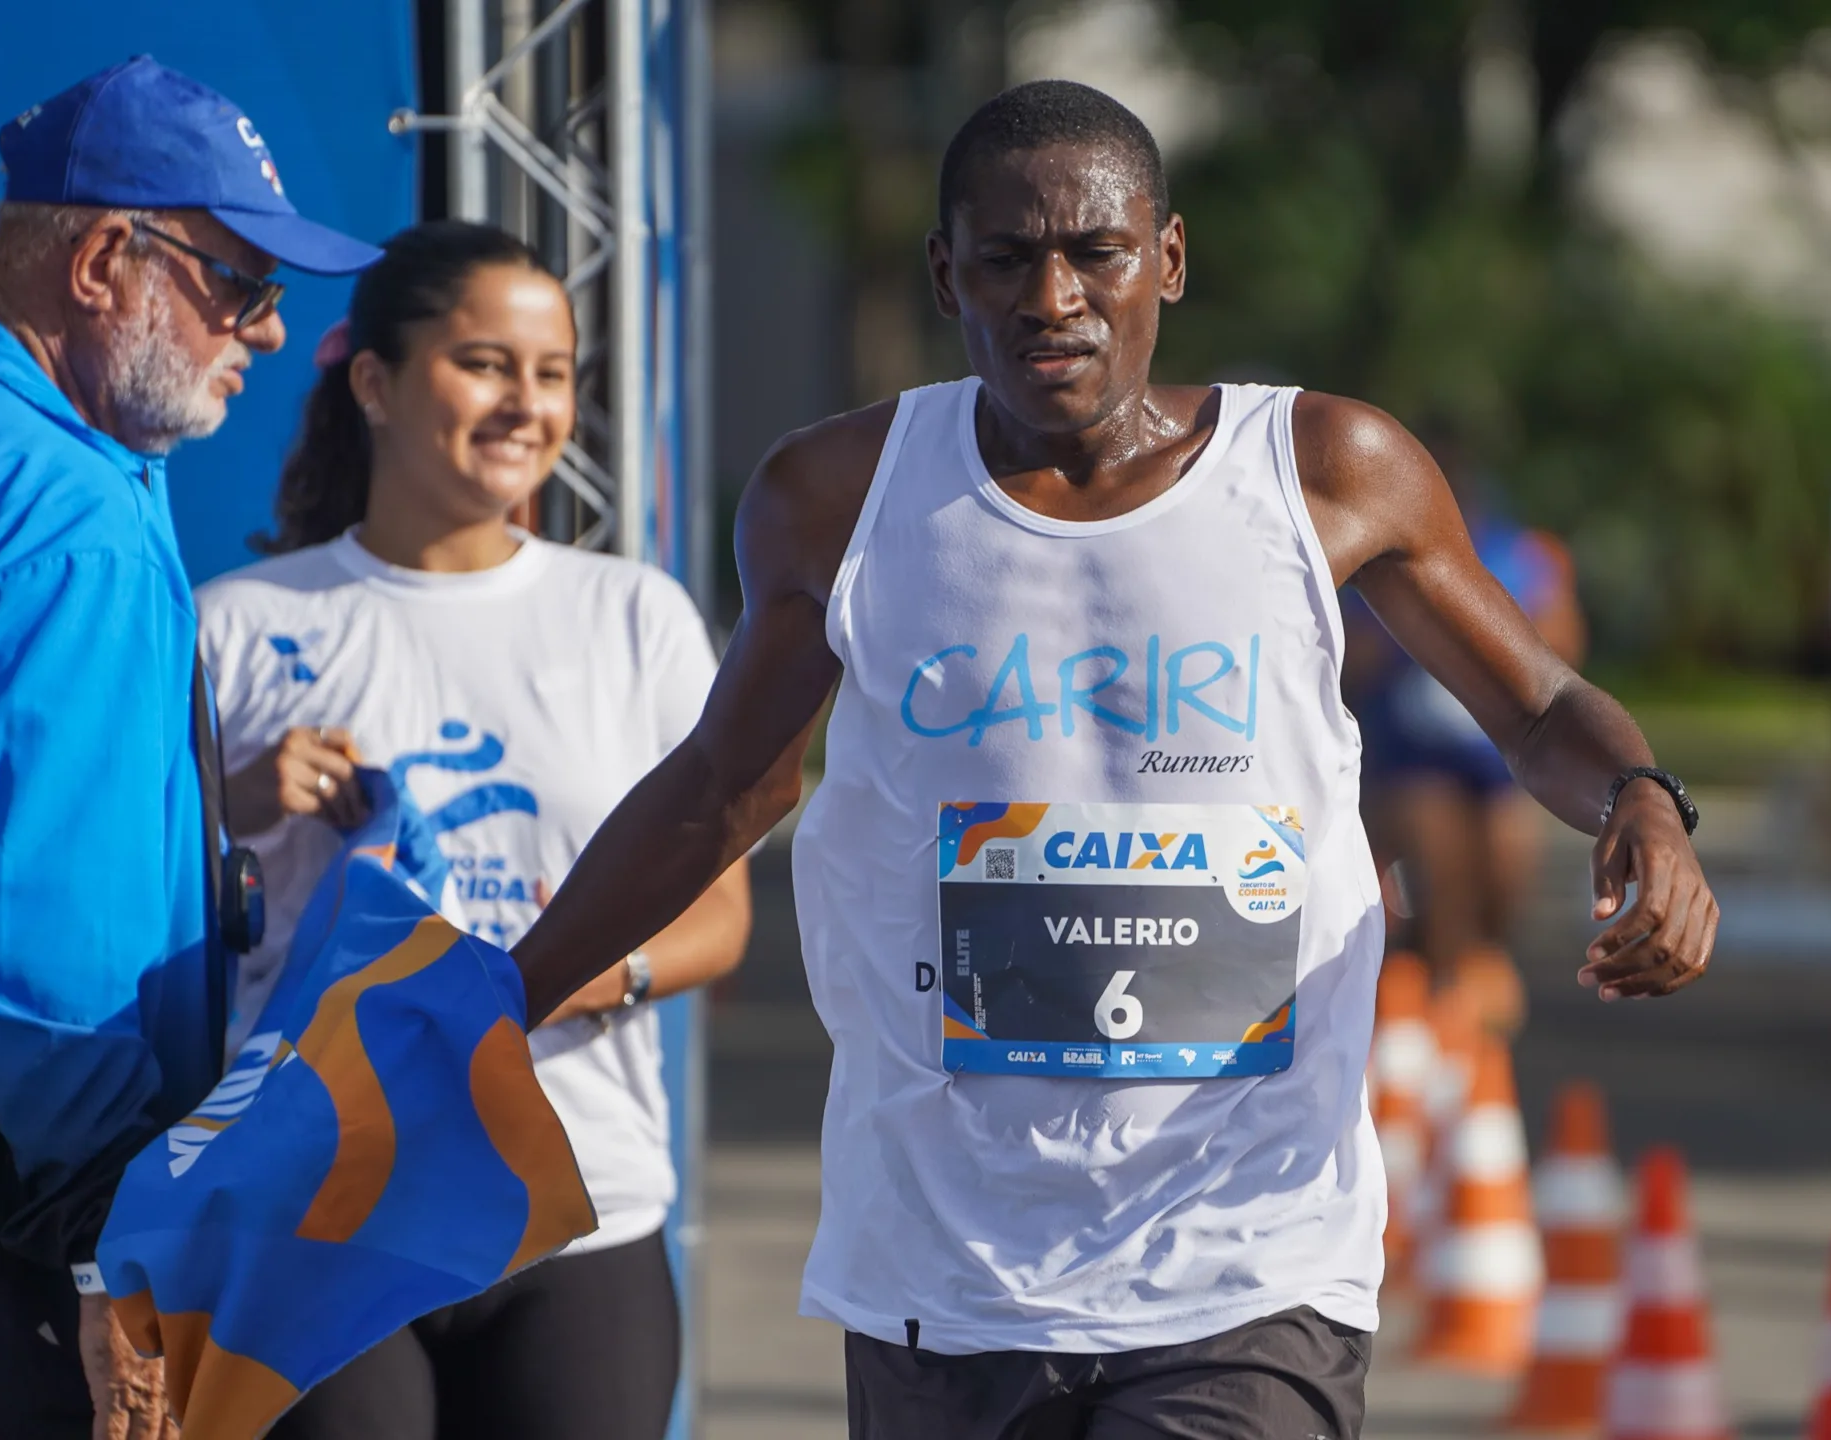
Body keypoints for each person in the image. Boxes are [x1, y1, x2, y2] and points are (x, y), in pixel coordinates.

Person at [509, 80, 1718, 1437]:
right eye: (1009, 257)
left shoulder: (1325, 469)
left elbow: (1541, 705)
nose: (1055, 296)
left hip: (1246, 1256)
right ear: (944, 270)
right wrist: (505, 1001)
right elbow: (723, 788)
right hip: (947, 1263)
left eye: (1098, 251)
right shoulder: (837, 498)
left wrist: (1645, 808)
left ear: (1171, 259)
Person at [0, 57, 378, 1440]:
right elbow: (53, 970)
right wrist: (117, 1260)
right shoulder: (71, 518)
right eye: (239, 285)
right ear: (109, 258)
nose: (274, 334)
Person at [195, 221, 750, 1440]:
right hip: (320, 1202)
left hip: (580, 1197)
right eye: (486, 364)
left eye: (551, 374)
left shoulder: (635, 615)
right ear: (377, 382)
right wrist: (230, 804)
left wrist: (594, 971)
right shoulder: (232, 625)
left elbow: (721, 916)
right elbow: (138, 907)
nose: (527, 403)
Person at [1349, 456, 1586, 1031]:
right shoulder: (1377, 554)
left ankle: (1484, 956)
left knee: (1510, 848)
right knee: (1436, 839)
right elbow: (1347, 657)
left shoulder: (1519, 554)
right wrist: (1407, 629)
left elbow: (1564, 650)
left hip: (1493, 757)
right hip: (1408, 755)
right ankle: (1442, 973)